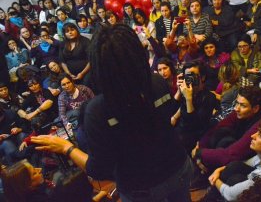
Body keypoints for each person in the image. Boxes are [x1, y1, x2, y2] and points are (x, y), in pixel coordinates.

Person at [31, 24, 193, 202]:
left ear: (99, 66)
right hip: (179, 169)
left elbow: (99, 169)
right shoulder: (156, 82)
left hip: (142, 188)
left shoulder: (97, 111)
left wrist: (65, 148)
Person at [192, 86, 261, 169]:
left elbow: (230, 155)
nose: (236, 108)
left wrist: (199, 153)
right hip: (232, 155)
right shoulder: (239, 113)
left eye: (243, 105)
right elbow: (214, 131)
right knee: (220, 133)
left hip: (247, 165)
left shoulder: (260, 126)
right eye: (237, 103)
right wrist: (200, 149)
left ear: (255, 108)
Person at [173, 61, 217, 151]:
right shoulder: (185, 91)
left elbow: (194, 126)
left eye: (193, 75)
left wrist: (188, 99)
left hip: (192, 140)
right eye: (187, 76)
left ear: (203, 77)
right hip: (178, 134)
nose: (190, 79)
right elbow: (170, 110)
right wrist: (178, 92)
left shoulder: (209, 97)